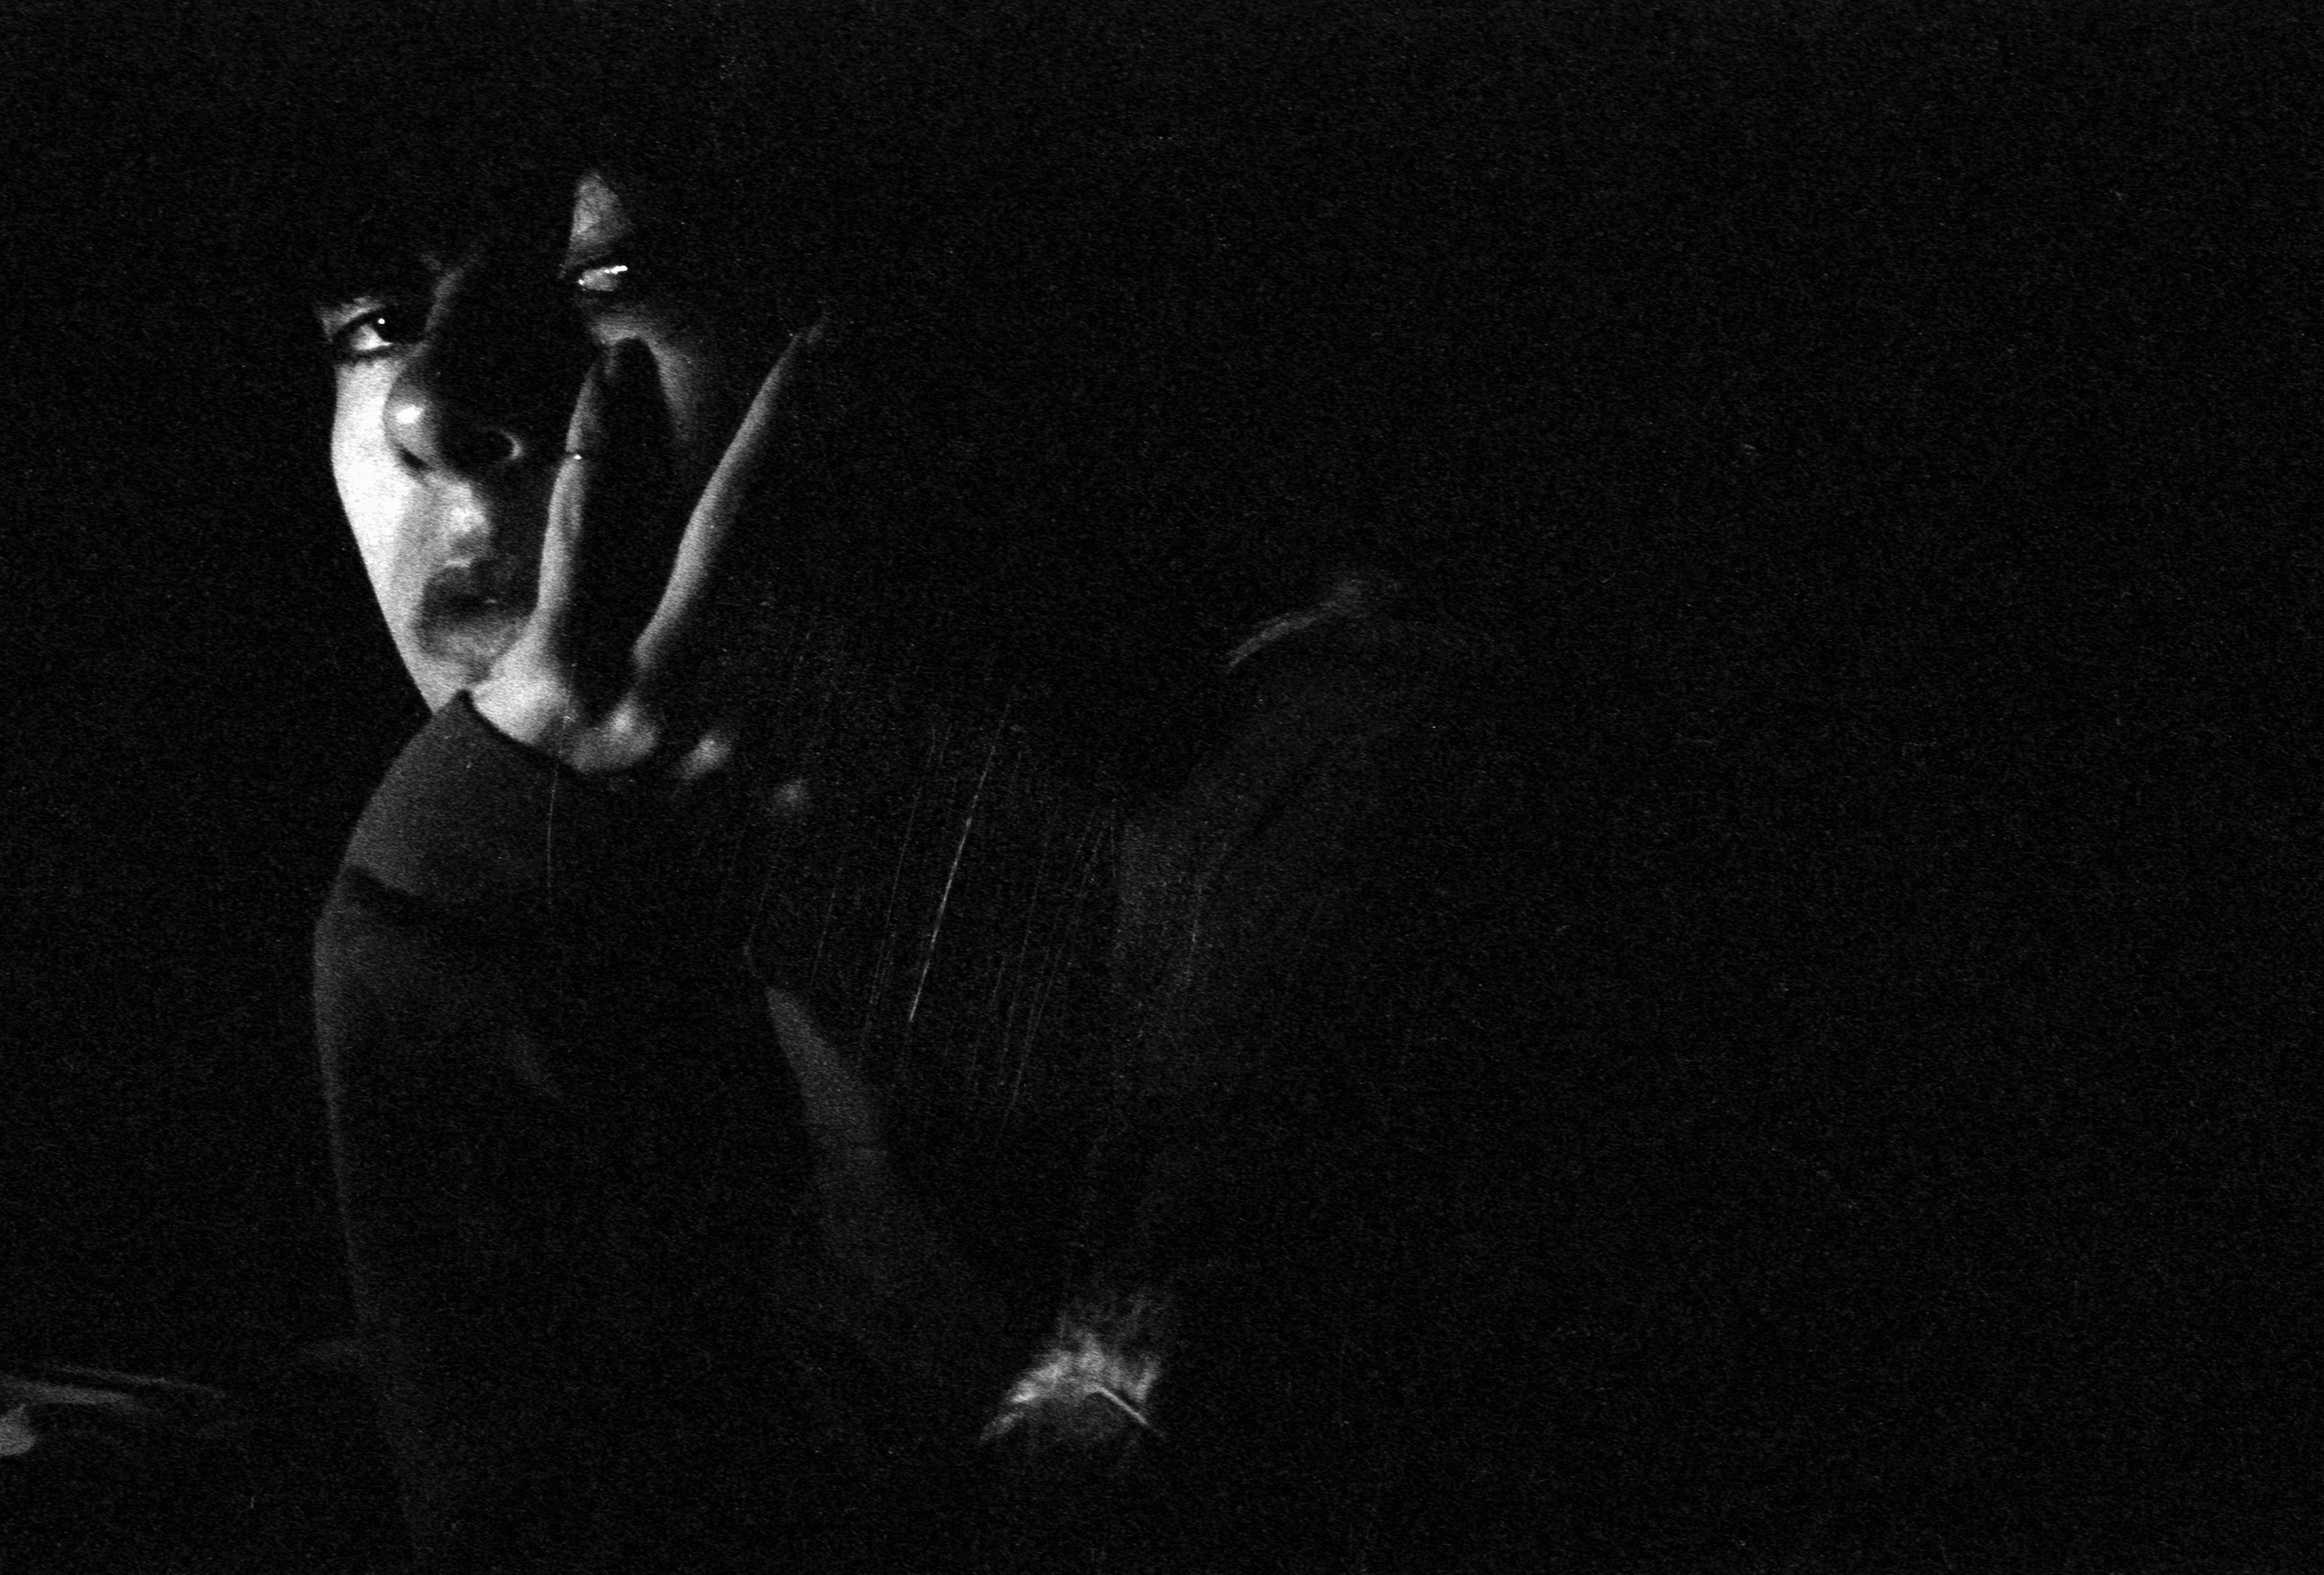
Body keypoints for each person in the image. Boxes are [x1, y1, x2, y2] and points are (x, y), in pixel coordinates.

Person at [300, 6, 1608, 1571]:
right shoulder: (694, 893)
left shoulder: (1339, 826)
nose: (431, 406)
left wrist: (436, 909)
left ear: (865, 335)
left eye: (610, 278)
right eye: (377, 323)